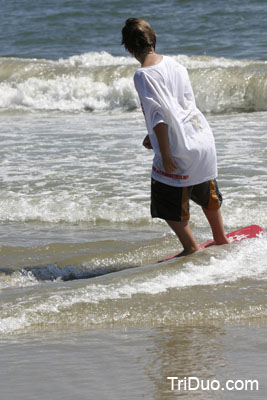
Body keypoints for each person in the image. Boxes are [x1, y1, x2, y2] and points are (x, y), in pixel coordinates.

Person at [121, 18, 229, 257]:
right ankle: (221, 238)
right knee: (206, 192)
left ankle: (190, 246)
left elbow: (159, 116)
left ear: (128, 48)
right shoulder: (177, 65)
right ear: (154, 40)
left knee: (166, 198)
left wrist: (166, 151)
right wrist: (153, 137)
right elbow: (183, 106)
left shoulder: (143, 75)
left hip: (179, 146)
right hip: (201, 137)